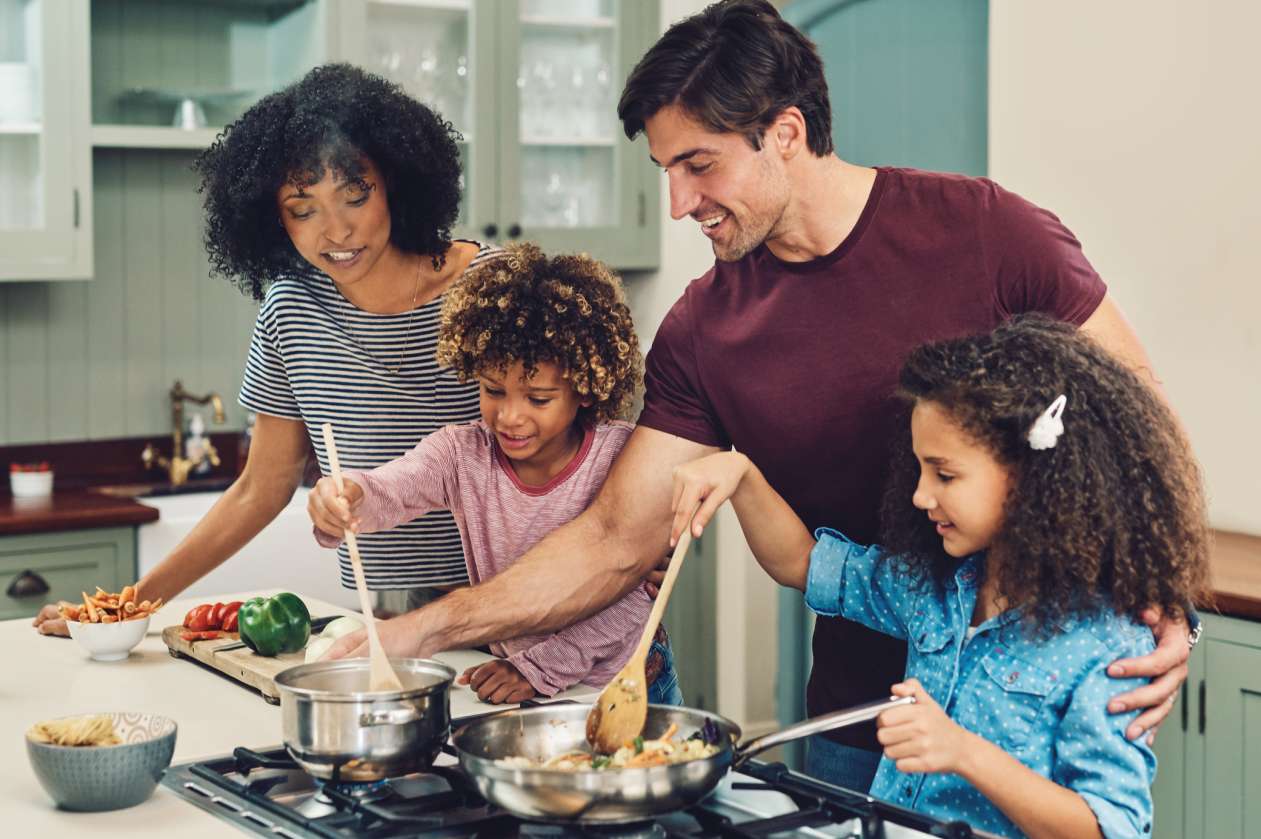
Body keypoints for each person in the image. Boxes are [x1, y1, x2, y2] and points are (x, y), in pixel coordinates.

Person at [324, 0, 1193, 793]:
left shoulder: (987, 232)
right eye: (665, 169)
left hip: (1034, 704)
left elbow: (1137, 417)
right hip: (861, 715)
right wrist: (416, 633)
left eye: (697, 165)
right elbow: (612, 540)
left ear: (784, 132)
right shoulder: (703, 329)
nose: (677, 203)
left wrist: (1170, 601)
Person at [666, 316, 1210, 838]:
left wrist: (963, 752)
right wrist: (741, 476)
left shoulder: (1108, 642)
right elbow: (805, 563)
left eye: (945, 474)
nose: (921, 495)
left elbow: (1108, 827)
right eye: (921, 468)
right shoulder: (933, 586)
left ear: (1032, 477)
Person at [32, 64, 499, 637]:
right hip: (387, 622)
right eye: (304, 210)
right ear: (273, 218)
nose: (336, 231)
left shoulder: (491, 287)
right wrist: (127, 605)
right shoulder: (292, 309)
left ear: (396, 184)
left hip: (511, 609)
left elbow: (570, 456)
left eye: (355, 196)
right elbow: (260, 487)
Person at [308, 243, 683, 705]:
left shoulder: (621, 458)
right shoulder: (463, 454)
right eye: (493, 390)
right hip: (536, 689)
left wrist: (539, 669)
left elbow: (632, 597)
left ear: (585, 390)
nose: (509, 417)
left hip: (625, 689)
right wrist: (346, 498)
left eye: (538, 399)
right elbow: (390, 488)